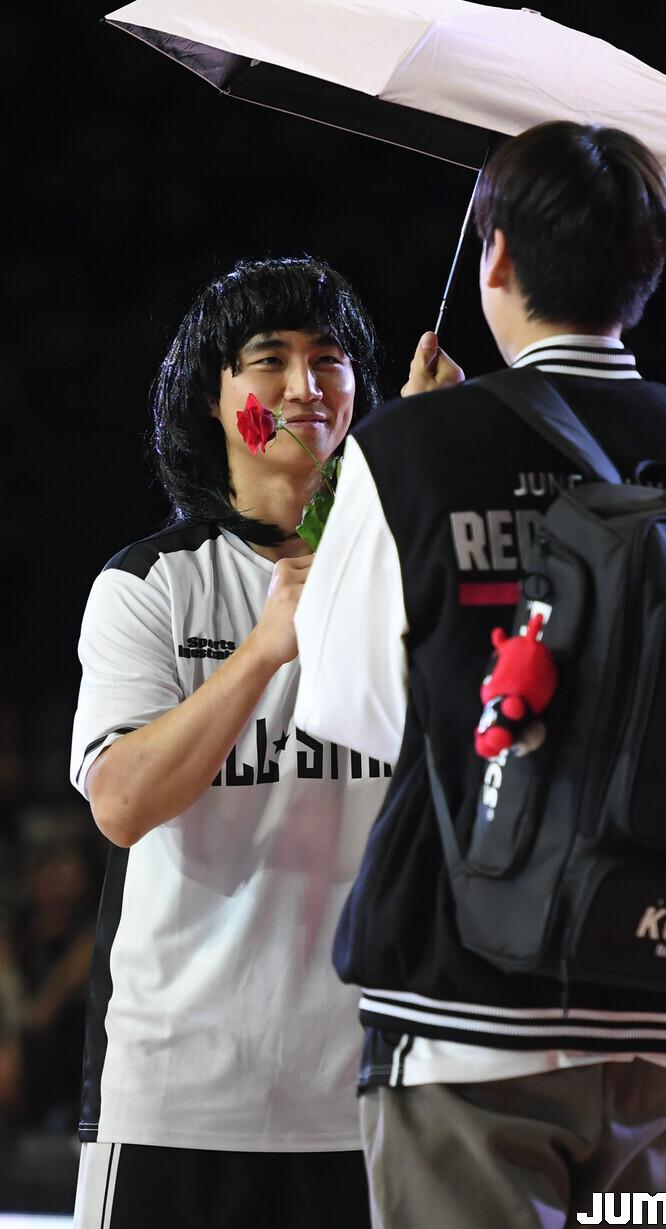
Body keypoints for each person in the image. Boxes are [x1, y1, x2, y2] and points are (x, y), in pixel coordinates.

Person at [294, 122, 666, 1228]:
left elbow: (352, 706)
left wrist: (416, 446)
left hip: (465, 1014)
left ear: (497, 255)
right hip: (659, 1003)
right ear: (649, 264)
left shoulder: (409, 450)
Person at [69, 257, 393, 1229]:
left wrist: (427, 462)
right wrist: (262, 648)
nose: (305, 386)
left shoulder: (402, 585)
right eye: (269, 360)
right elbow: (121, 802)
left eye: (329, 359)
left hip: (364, 1099)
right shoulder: (150, 585)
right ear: (213, 399)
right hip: (176, 1097)